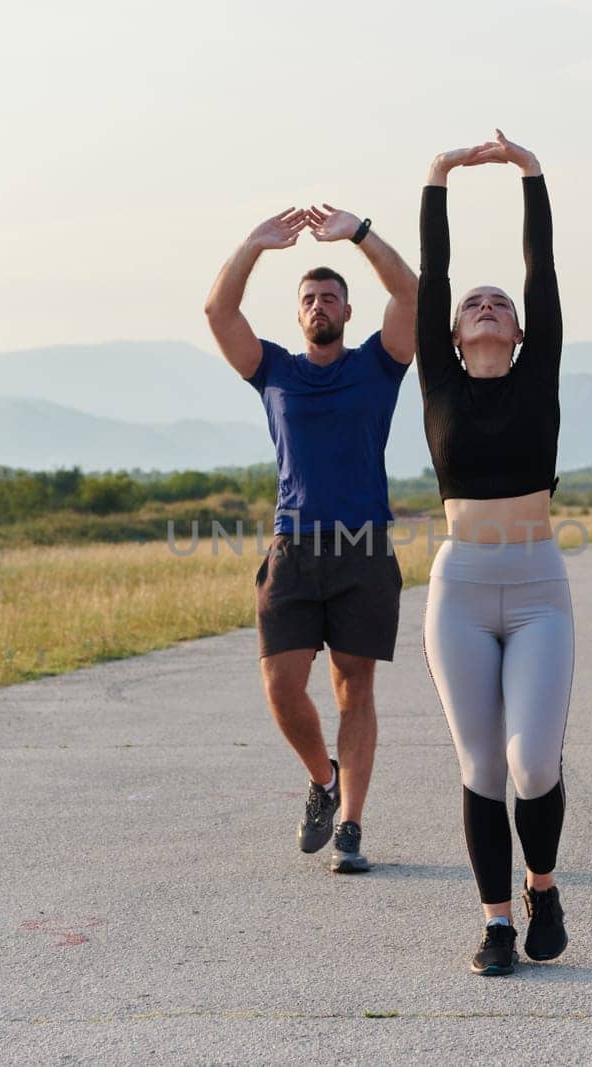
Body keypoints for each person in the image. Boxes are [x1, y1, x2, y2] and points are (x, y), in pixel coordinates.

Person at [203, 201, 417, 874]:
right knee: (281, 685)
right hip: (294, 548)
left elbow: (412, 293)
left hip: (363, 549)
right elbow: (218, 313)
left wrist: (357, 233)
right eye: (309, 298)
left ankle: (350, 824)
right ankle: (322, 779)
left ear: (348, 312)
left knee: (355, 688)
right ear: (298, 315)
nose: (319, 304)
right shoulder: (273, 370)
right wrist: (254, 245)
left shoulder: (380, 365)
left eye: (330, 296)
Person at [418, 131, 572, 977]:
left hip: (540, 584)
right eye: (473, 303)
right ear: (451, 331)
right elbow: (432, 273)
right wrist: (436, 178)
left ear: (516, 332)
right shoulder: (437, 382)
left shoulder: (538, 370)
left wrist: (530, 172)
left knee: (533, 760)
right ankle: (496, 923)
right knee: (481, 763)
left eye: (498, 304)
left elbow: (539, 267)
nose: (486, 304)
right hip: (463, 586)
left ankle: (543, 883)